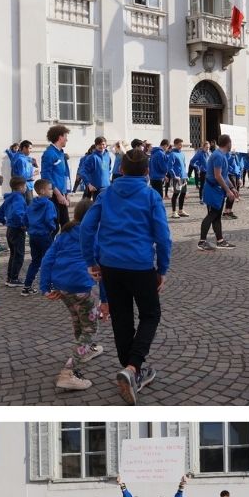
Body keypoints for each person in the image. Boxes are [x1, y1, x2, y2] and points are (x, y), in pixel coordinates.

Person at [81, 148, 172, 405]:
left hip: (110, 264)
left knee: (121, 317)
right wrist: (162, 269)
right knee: (151, 314)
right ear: (146, 172)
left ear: (120, 169)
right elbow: (163, 237)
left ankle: (129, 369)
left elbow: (87, 228)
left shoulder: (106, 193)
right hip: (140, 264)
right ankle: (132, 368)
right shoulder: (151, 195)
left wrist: (91, 261)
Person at [40, 198, 104, 391]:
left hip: (62, 285)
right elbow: (101, 260)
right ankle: (69, 371)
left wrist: (45, 287)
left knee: (77, 318)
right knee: (90, 328)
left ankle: (84, 351)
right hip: (82, 285)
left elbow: (48, 258)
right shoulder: (95, 233)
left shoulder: (64, 233)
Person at [198, 134, 238, 251]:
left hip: (216, 190)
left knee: (216, 216)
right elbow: (218, 176)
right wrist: (228, 190)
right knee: (212, 215)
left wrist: (232, 188)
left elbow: (224, 176)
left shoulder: (221, 155)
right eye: (231, 143)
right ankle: (202, 242)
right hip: (212, 190)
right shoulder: (218, 156)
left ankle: (220, 241)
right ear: (228, 143)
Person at [41, 125, 73, 226]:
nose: (67, 140)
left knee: (66, 225)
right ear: (60, 137)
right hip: (53, 196)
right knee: (53, 227)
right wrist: (58, 194)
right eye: (65, 137)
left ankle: (65, 242)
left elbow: (66, 174)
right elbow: (46, 176)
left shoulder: (61, 153)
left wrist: (67, 193)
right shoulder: (49, 153)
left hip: (61, 195)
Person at [165, 138, 189, 219]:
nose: (181, 146)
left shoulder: (182, 154)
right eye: (179, 144)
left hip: (183, 177)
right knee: (176, 194)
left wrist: (186, 175)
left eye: (181, 144)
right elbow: (169, 167)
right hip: (177, 178)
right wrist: (174, 176)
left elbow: (184, 165)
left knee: (183, 194)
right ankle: (173, 212)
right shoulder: (172, 154)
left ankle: (181, 210)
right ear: (175, 145)